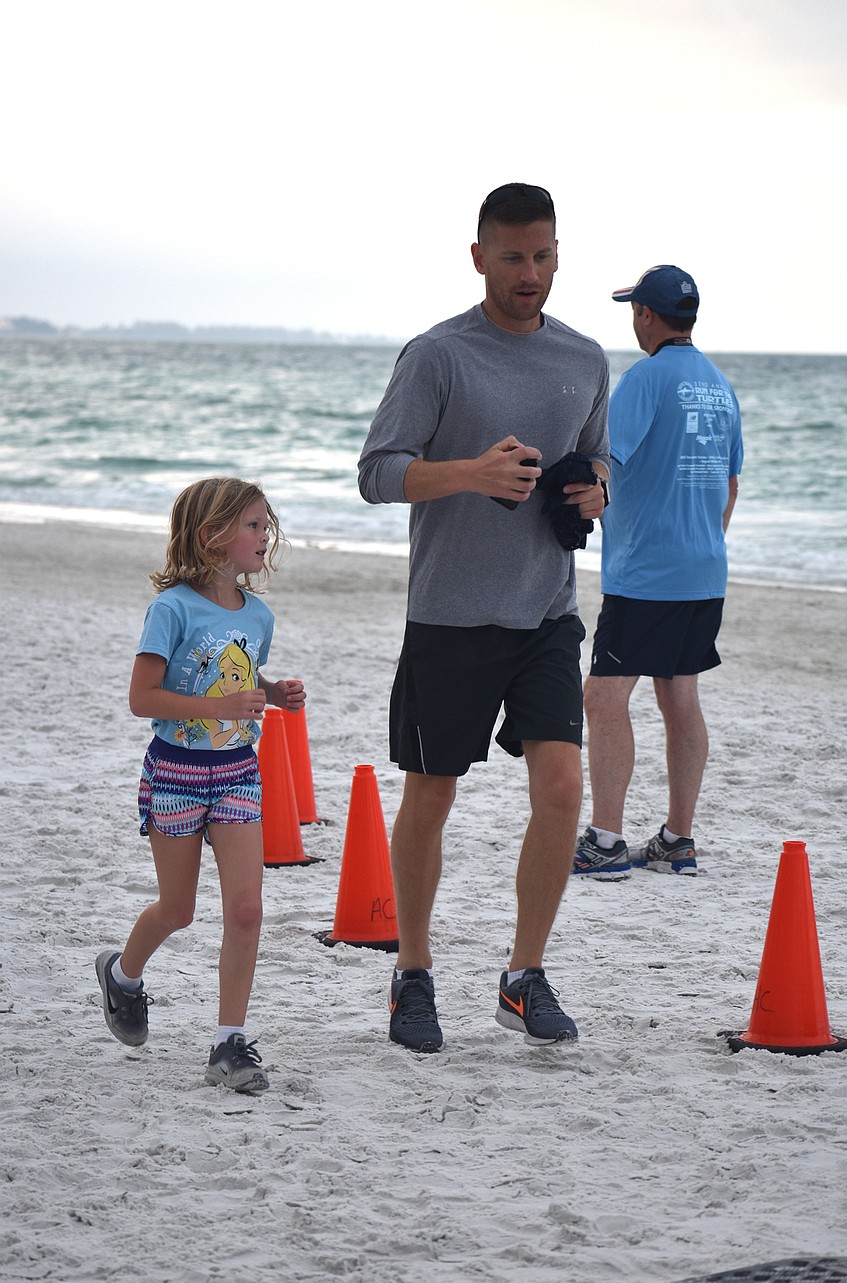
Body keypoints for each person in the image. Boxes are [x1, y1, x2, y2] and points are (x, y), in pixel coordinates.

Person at [358, 183, 610, 1053]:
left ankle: (522, 976)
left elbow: (600, 454)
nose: (530, 272)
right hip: (451, 616)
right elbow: (378, 471)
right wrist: (469, 472)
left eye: (543, 255)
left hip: (547, 611)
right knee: (431, 796)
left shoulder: (585, 358)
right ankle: (412, 973)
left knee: (564, 788)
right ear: (479, 258)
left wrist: (598, 487)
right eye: (513, 257)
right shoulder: (438, 356)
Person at [95, 477, 306, 1093]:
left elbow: (236, 673)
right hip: (176, 774)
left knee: (246, 910)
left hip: (238, 772)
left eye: (266, 526)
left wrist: (272, 692)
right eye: (252, 526)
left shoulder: (259, 616)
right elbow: (143, 698)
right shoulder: (172, 609)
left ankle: (228, 1043)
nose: (264, 537)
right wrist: (219, 708)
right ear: (212, 535)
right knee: (178, 910)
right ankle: (123, 976)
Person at [574, 265, 743, 882]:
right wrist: (701, 544)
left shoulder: (644, 379)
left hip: (647, 572)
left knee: (603, 695)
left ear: (646, 314)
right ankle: (678, 840)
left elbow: (602, 463)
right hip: (705, 568)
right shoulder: (720, 385)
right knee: (679, 696)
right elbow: (729, 486)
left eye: (634, 310)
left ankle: (605, 841)